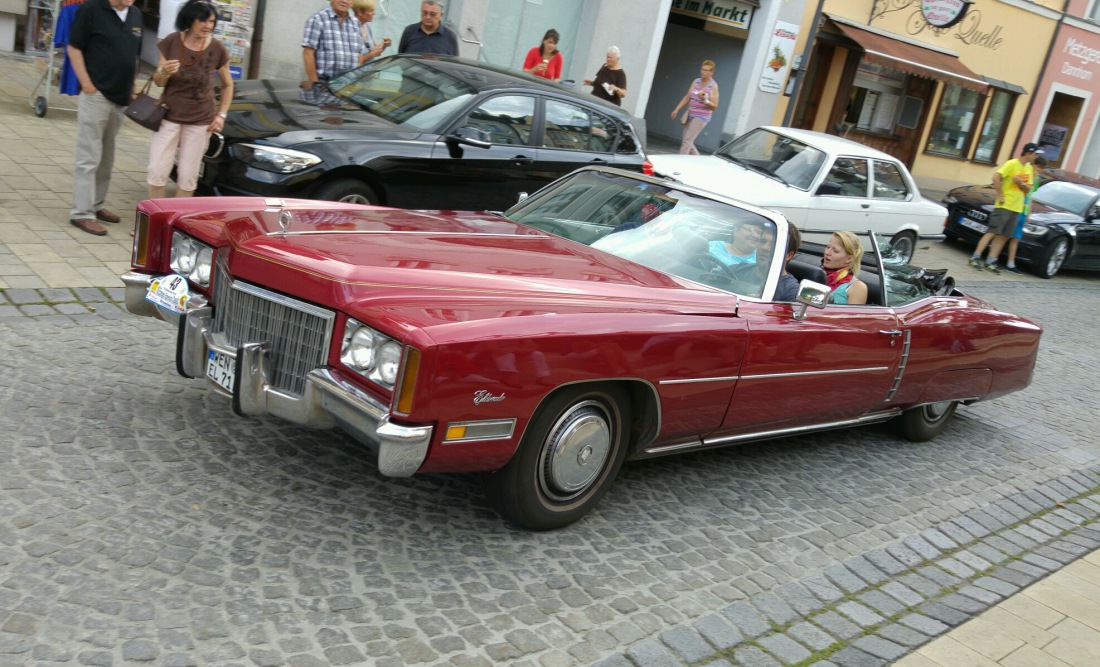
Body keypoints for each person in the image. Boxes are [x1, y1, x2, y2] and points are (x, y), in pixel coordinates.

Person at [66, 0, 143, 236]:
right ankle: (82, 213)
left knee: (106, 157)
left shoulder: (136, 15)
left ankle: (97, 204)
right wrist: (87, 84)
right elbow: (74, 47)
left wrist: (132, 86)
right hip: (96, 94)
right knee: (88, 156)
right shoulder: (91, 9)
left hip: (120, 98)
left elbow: (134, 55)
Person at [147, 0, 233, 200]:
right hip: (169, 114)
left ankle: (178, 225)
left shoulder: (217, 48)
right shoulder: (172, 41)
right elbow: (159, 82)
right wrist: (163, 72)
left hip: (200, 119)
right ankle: (153, 222)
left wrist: (221, 115)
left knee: (188, 176)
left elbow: (228, 85)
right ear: (189, 20)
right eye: (202, 21)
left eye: (211, 22)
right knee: (157, 170)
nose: (207, 26)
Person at [968, 143, 1044, 274]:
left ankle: (991, 260)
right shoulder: (1012, 164)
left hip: (1017, 207)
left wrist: (1021, 184)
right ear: (1028, 153)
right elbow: (996, 177)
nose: (1036, 157)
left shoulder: (1028, 169)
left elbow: (1028, 191)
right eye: (1035, 154)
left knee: (1004, 235)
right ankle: (975, 257)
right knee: (992, 231)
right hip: (1005, 204)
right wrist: (1000, 194)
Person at [302, 0, 365, 89]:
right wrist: (316, 85)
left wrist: (356, 82)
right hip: (324, 85)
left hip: (348, 87)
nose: (344, 1)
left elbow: (359, 54)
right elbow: (308, 53)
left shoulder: (355, 23)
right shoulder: (317, 19)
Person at [1004, 155, 1047, 274]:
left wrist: (1029, 213)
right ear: (1033, 165)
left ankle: (1010, 263)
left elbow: (1030, 196)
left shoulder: (1036, 180)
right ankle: (992, 257)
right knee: (1005, 234)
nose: (1037, 172)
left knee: (1016, 237)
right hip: (1015, 207)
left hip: (1023, 210)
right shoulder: (1025, 173)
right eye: (1037, 169)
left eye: (1040, 170)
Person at [670, 60, 719, 155]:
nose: (703, 72)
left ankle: (679, 163)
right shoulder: (696, 81)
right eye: (702, 69)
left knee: (686, 142)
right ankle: (698, 161)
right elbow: (687, 96)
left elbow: (714, 106)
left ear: (711, 72)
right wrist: (677, 109)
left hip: (701, 117)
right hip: (691, 113)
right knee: (687, 140)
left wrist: (705, 100)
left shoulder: (713, 86)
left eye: (706, 70)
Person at [823, 231, 868, 305]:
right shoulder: (817, 273)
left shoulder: (858, 287)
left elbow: (851, 316)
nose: (827, 252)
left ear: (849, 259)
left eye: (835, 251)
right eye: (828, 247)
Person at [352, 0, 391, 65]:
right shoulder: (352, 29)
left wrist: (384, 45)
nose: (374, 13)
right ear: (360, 12)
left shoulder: (366, 26)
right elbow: (356, 62)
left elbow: (375, 51)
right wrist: (372, 54)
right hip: (358, 73)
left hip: (369, 72)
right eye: (371, 11)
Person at [774, 224, 801, 302]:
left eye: (773, 245)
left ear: (788, 255)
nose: (764, 247)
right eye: (763, 241)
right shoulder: (739, 269)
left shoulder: (791, 291)